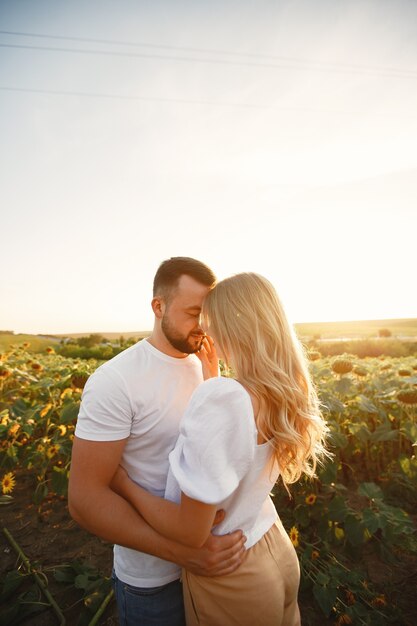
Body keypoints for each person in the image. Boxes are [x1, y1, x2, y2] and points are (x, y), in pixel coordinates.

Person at [110, 272, 329, 626]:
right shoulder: (277, 391)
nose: (204, 332)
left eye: (210, 321)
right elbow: (237, 443)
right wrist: (213, 379)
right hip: (273, 548)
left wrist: (123, 486)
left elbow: (189, 532)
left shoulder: (225, 399)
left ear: (233, 325)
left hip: (234, 576)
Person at [68, 257, 247, 626]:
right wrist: (184, 553)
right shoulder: (116, 381)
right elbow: (84, 501)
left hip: (213, 571)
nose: (204, 327)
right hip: (153, 583)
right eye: (194, 312)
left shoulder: (205, 365)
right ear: (158, 306)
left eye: (208, 315)